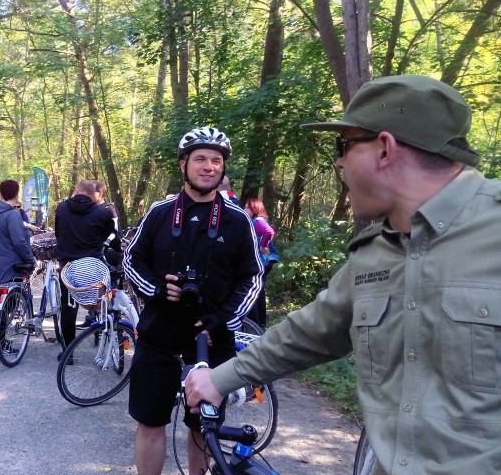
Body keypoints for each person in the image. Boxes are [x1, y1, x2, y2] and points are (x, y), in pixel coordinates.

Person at [186, 75, 498, 474]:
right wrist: (221, 378)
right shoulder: (377, 250)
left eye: (344, 146)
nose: (338, 162)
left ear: (384, 149)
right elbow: (311, 330)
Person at [123, 126, 262, 475]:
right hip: (158, 339)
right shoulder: (160, 212)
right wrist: (155, 288)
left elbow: (252, 276)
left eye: (216, 161)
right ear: (184, 164)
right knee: (150, 423)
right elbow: (130, 260)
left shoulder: (237, 220)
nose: (209, 166)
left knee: (203, 429)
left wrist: (226, 318)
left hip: (210, 342)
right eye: (200, 159)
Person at [55, 180, 119, 342]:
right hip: (92, 267)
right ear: (94, 196)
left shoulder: (61, 209)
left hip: (67, 268)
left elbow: (58, 234)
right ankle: (104, 334)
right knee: (103, 300)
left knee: (68, 307)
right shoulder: (102, 213)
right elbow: (113, 239)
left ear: (76, 192)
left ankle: (67, 351)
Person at [0, 179, 35, 355]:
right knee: (8, 306)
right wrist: (30, 260)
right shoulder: (12, 214)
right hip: (10, 266)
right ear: (16, 193)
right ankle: (1, 345)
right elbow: (19, 242)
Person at [244, 198, 276, 327]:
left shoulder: (257, 221)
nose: (244, 209)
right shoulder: (258, 220)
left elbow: (269, 232)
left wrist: (263, 246)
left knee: (253, 290)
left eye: (247, 207)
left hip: (262, 261)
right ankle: (261, 322)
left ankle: (255, 323)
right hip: (264, 262)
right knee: (259, 291)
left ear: (254, 209)